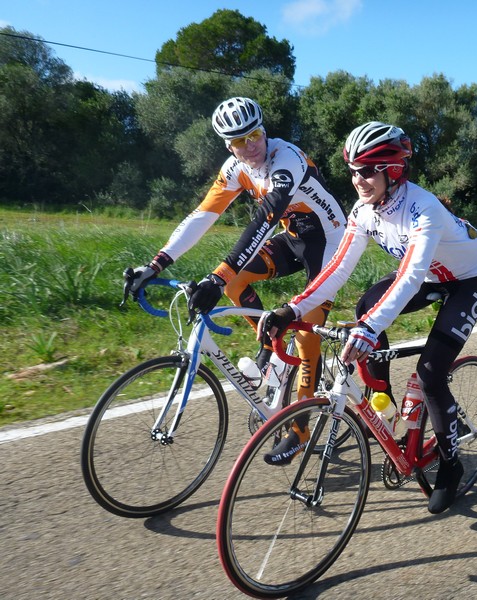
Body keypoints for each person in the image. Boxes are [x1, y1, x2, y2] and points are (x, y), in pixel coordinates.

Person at [259, 121, 477, 514]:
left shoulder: (423, 209)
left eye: (366, 171)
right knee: (364, 308)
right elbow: (337, 269)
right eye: (352, 170)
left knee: (432, 372)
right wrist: (293, 309)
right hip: (429, 274)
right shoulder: (363, 210)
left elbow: (410, 275)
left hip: (465, 281)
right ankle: (382, 398)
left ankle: (450, 465)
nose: (357, 180)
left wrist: (369, 329)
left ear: (393, 170)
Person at [125, 96, 346, 406]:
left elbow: (266, 217)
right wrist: (155, 265)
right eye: (239, 141)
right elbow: (202, 216)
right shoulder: (235, 169)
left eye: (254, 135)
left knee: (306, 332)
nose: (249, 146)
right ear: (228, 146)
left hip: (331, 242)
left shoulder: (287, 158)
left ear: (264, 132)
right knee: (234, 282)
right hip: (294, 237)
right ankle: (270, 345)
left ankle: (300, 425)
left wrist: (215, 278)